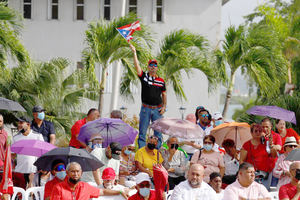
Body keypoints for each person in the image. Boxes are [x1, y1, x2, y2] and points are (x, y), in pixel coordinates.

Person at [129, 44, 167, 149]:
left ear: (157, 68)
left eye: (155, 65)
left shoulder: (161, 81)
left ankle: (156, 151)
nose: (153, 67)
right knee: (142, 132)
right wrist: (134, 53)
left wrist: (164, 107)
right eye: (151, 65)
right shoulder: (144, 77)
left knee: (158, 133)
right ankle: (142, 151)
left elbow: (164, 94)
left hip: (157, 109)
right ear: (148, 67)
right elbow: (137, 67)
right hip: (145, 108)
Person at [50, 162, 128, 200]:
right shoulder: (58, 188)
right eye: (73, 171)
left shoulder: (85, 187)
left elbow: (103, 192)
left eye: (77, 171)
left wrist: (119, 192)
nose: (75, 174)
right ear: (67, 173)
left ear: (81, 173)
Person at [239, 123, 277, 190]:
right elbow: (241, 160)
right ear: (251, 132)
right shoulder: (246, 144)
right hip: (251, 175)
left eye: (260, 131)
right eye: (256, 131)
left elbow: (274, 155)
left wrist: (271, 145)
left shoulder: (267, 142)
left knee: (263, 194)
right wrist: (244, 173)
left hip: (265, 176)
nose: (258, 133)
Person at [12, 116, 44, 188]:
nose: (19, 125)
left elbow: (43, 153)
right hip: (19, 172)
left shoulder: (38, 136)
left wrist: (41, 167)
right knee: (19, 195)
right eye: (18, 123)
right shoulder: (15, 138)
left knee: (32, 196)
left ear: (28, 124)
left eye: (21, 123)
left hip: (33, 172)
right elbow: (12, 155)